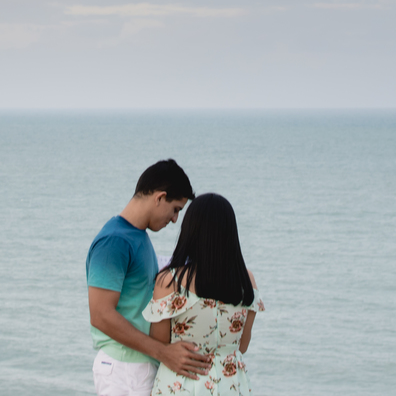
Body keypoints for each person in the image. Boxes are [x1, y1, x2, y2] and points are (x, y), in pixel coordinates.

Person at [87, 160, 212, 396]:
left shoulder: (137, 237)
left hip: (136, 366)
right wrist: (163, 352)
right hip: (124, 368)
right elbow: (101, 315)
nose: (175, 219)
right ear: (160, 197)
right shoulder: (114, 242)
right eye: (175, 209)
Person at [142, 193, 264, 396]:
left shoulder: (170, 281)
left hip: (182, 384)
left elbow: (160, 341)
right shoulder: (247, 280)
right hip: (231, 385)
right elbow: (242, 345)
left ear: (190, 231)